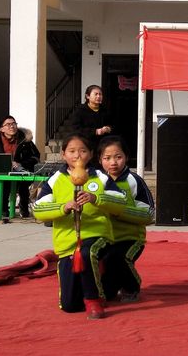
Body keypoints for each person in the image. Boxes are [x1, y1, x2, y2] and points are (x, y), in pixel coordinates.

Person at [32, 134, 127, 319]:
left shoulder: (100, 177)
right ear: (63, 155)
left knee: (87, 252)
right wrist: (63, 207)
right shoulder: (54, 180)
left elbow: (121, 202)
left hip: (97, 234)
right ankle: (102, 285)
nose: (77, 156)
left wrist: (96, 199)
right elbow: (38, 209)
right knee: (70, 305)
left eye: (82, 151)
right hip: (67, 243)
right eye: (72, 151)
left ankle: (94, 300)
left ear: (91, 154)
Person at [97, 136, 155, 302]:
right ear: (100, 159)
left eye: (118, 157)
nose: (113, 162)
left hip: (131, 238)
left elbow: (149, 214)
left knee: (118, 257)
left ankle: (132, 287)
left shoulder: (134, 181)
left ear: (126, 157)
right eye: (107, 158)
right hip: (104, 239)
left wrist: (119, 211)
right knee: (107, 294)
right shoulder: (96, 182)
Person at [0, 115, 40, 221]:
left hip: (20, 171)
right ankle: (3, 210)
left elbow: (36, 156)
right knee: (1, 187)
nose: (12, 127)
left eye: (14, 124)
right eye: (8, 124)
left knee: (23, 184)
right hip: (1, 172)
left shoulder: (25, 139)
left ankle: (24, 208)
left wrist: (20, 164)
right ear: (2, 128)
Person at [72, 85, 114, 149]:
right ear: (87, 96)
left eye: (100, 94)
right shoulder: (80, 110)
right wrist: (95, 131)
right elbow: (76, 130)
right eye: (96, 94)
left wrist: (108, 128)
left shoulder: (105, 110)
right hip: (86, 146)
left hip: (103, 145)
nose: (99, 96)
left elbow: (113, 125)